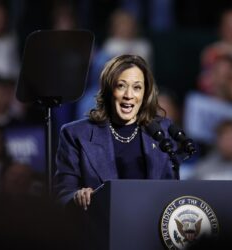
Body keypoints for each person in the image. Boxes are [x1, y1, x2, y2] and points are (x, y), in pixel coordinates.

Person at [53, 55, 176, 210]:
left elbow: (172, 192)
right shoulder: (76, 134)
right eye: (121, 86)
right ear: (108, 90)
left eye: (137, 87)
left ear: (145, 94)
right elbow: (63, 194)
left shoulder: (161, 131)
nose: (129, 95)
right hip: (101, 227)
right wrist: (77, 196)